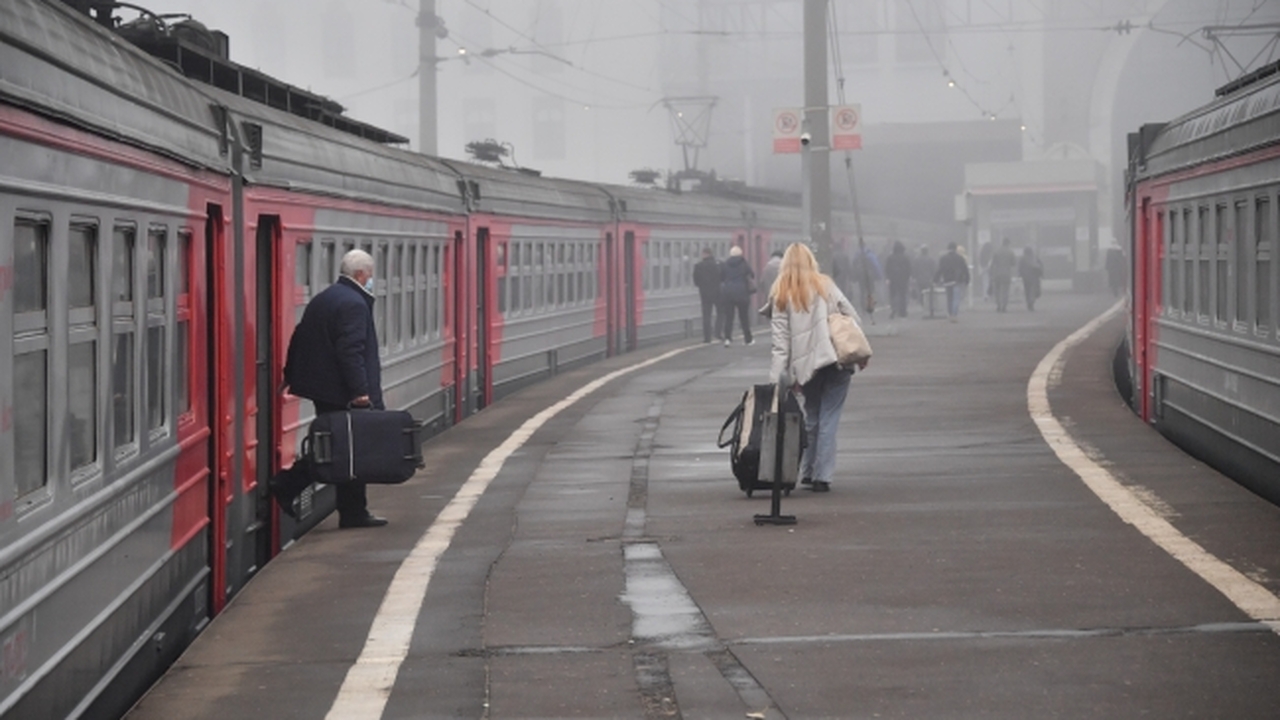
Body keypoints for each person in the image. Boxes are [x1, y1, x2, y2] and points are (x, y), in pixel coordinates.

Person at [269, 249, 389, 528]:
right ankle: (290, 484)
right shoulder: (354, 304)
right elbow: (351, 351)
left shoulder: (325, 298)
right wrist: (360, 391)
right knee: (348, 448)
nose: (371, 280)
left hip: (326, 389)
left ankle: (351, 510)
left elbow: (300, 336)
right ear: (361, 275)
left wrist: (290, 373)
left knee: (340, 447)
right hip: (343, 392)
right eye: (370, 275)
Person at [767, 243, 866, 493]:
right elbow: (853, 317)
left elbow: (780, 345)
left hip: (807, 366)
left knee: (812, 417)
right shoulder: (826, 285)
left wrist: (777, 382)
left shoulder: (780, 292)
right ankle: (823, 476)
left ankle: (808, 472)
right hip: (837, 361)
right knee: (829, 418)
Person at [719, 245, 756, 346]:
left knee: (729, 317)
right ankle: (748, 339)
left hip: (728, 293)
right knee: (744, 317)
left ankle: (727, 339)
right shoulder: (744, 263)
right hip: (742, 293)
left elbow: (721, 277)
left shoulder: (725, 264)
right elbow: (752, 275)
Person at [934, 242, 971, 322]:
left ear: (948, 249)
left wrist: (936, 279)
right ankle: (954, 314)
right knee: (956, 298)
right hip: (957, 280)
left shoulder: (943, 258)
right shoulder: (960, 258)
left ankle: (950, 313)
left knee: (949, 298)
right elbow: (965, 270)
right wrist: (967, 279)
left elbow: (940, 270)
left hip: (947, 280)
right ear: (955, 249)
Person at [693, 247, 722, 343]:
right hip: (718, 292)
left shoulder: (698, 266)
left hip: (704, 293)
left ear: (704, 254)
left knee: (706, 315)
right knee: (720, 313)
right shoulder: (718, 265)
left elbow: (696, 281)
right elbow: (722, 277)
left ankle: (707, 337)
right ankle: (718, 333)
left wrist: (703, 286)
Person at [884, 240, 912, 319]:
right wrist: (908, 277)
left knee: (893, 295)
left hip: (893, 279)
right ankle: (902, 311)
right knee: (902, 295)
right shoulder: (905, 258)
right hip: (903, 279)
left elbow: (887, 268)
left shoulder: (890, 258)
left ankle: (893, 309)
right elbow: (908, 269)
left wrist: (888, 278)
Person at [989, 237, 1018, 313]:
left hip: (997, 273)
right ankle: (1004, 306)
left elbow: (993, 263)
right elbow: (1014, 263)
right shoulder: (1010, 252)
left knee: (997, 290)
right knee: (1005, 291)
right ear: (1008, 244)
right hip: (1006, 274)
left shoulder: (997, 251)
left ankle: (998, 305)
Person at [911, 244, 938, 312]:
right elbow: (934, 270)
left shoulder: (917, 259)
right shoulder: (931, 259)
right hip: (929, 279)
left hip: (919, 279)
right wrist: (934, 278)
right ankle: (929, 306)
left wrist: (914, 277)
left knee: (921, 293)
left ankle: (923, 305)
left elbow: (914, 269)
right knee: (929, 293)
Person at [1018, 247, 1044, 311]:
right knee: (1033, 290)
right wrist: (1041, 274)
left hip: (1025, 277)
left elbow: (1020, 267)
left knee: (1027, 290)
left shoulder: (1023, 258)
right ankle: (1031, 301)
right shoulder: (1035, 257)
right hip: (1034, 277)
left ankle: (1028, 302)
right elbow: (1040, 266)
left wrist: (1020, 274)